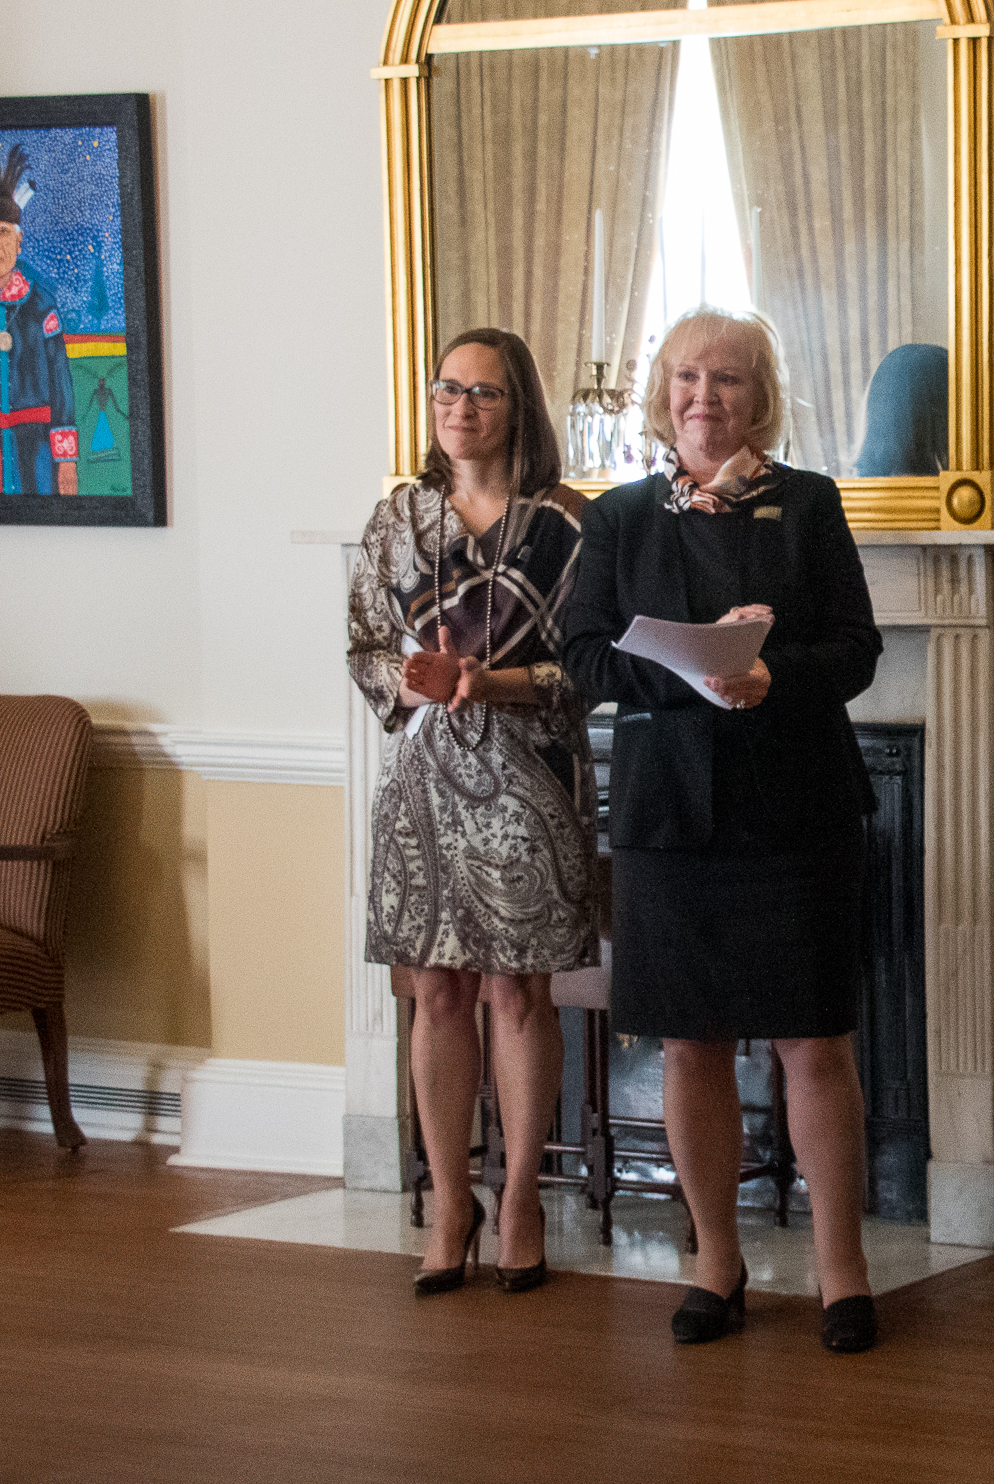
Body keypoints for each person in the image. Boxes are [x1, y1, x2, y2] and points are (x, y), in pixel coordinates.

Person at [560, 305, 886, 1354]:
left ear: (762, 396)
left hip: (795, 809)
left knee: (813, 1040)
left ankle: (843, 1272)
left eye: (730, 379)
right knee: (688, 1043)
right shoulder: (617, 518)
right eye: (688, 377)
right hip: (669, 817)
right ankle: (715, 1260)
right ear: (663, 394)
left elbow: (856, 648)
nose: (706, 397)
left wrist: (769, 674)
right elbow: (584, 656)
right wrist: (688, 673)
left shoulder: (808, 504)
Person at [347, 327, 597, 1297]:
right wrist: (412, 684)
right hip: (423, 782)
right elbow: (365, 643)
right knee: (438, 992)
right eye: (446, 386)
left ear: (517, 408)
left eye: (483, 391)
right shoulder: (397, 520)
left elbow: (587, 669)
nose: (459, 405)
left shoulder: (568, 526)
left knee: (516, 993)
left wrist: (490, 680)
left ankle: (520, 1198)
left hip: (529, 779)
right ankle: (450, 1200)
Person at [0, 144, 79, 496]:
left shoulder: (41, 305)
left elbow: (61, 383)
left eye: (4, 233)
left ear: (19, 241)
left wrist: (66, 460)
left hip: (35, 450)